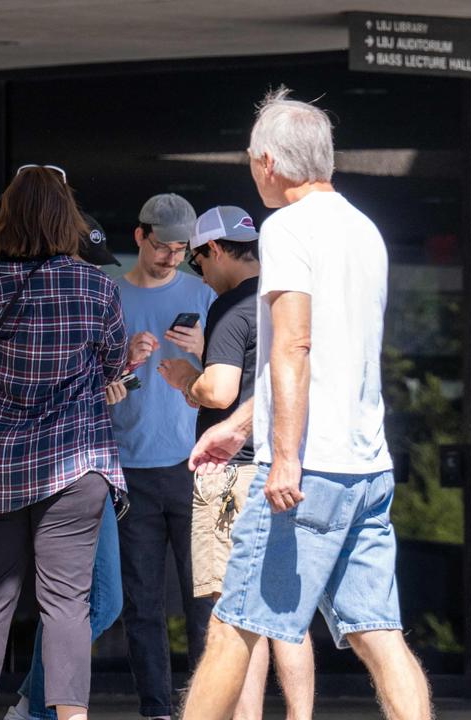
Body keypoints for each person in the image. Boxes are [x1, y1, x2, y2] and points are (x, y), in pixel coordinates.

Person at [182, 88, 433, 720]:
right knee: (381, 635)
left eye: (250, 159)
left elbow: (294, 343)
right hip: (366, 469)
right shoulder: (364, 229)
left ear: (269, 161)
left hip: (306, 472)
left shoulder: (286, 228)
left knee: (231, 628)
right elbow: (328, 357)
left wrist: (283, 456)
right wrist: (242, 426)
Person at [0, 165, 128, 720]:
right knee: (67, 604)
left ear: (9, 216)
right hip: (76, 463)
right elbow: (112, 366)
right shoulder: (97, 285)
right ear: (67, 221)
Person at [158, 205, 315, 720]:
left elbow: (221, 391)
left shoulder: (229, 307)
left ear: (218, 250)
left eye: (198, 258)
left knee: (235, 617)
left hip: (234, 476)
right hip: (287, 470)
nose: (199, 270)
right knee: (286, 611)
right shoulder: (284, 302)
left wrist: (186, 377)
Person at [7, 212, 126, 720]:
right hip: (64, 467)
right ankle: (36, 709)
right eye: (81, 257)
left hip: (77, 466)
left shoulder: (79, 296)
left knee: (93, 603)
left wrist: (109, 387)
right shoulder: (38, 295)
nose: (89, 271)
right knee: (82, 604)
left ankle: (31, 705)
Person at [107, 193, 216, 720]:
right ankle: (156, 709)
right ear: (138, 237)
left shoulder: (204, 292)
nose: (173, 257)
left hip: (195, 464)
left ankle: (203, 707)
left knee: (204, 602)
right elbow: (92, 384)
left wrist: (201, 349)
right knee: (142, 602)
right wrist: (126, 361)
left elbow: (236, 378)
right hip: (128, 466)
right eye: (164, 246)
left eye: (182, 248)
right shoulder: (110, 295)